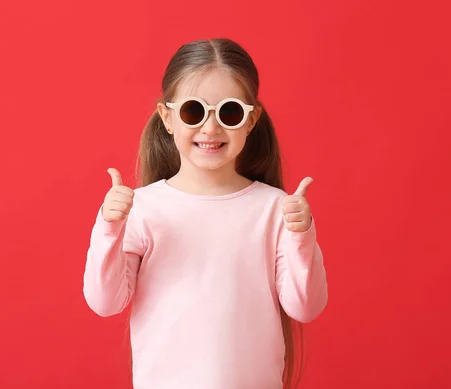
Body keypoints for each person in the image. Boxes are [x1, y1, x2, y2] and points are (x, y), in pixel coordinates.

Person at [83, 37, 328, 389]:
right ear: (167, 117)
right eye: (193, 111)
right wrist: (109, 228)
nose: (210, 129)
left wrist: (302, 237)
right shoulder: (143, 208)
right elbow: (105, 302)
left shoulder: (276, 210)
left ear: (251, 119)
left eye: (229, 112)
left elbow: (305, 307)